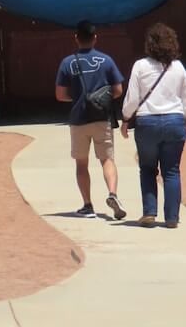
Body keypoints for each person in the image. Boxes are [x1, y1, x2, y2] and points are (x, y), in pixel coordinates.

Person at [121, 22, 186, 228]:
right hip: (174, 121)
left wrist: (126, 119)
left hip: (147, 122)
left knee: (147, 168)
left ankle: (149, 212)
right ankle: (172, 218)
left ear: (149, 44)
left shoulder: (140, 66)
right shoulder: (178, 67)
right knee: (172, 170)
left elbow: (132, 99)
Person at [55, 20, 127, 220]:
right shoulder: (106, 60)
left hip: (78, 120)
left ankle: (87, 206)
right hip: (101, 118)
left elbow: (60, 95)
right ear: (95, 37)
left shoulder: (67, 63)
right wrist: (101, 99)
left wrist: (78, 99)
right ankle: (113, 194)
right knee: (107, 159)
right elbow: (118, 90)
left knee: (81, 164)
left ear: (76, 38)